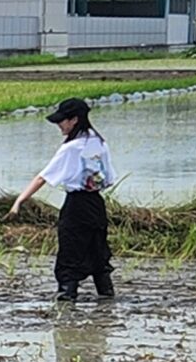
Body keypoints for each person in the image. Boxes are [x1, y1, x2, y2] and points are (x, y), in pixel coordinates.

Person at [10, 97, 117, 302]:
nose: (59, 125)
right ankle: (106, 295)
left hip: (76, 206)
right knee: (98, 251)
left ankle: (67, 297)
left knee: (70, 252)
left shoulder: (71, 147)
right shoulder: (100, 142)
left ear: (74, 120)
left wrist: (19, 201)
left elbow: (43, 177)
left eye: (62, 120)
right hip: (96, 206)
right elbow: (109, 179)